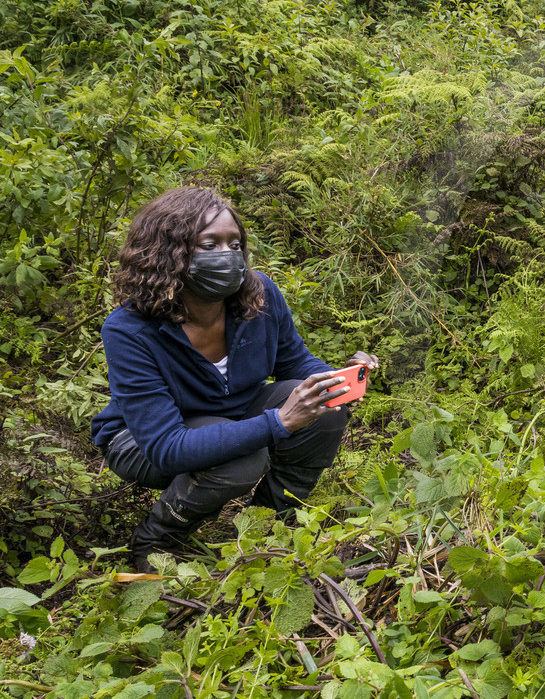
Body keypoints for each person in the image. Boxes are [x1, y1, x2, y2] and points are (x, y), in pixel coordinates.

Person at [91, 187, 376, 573]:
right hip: (142, 440)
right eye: (209, 244)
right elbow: (166, 448)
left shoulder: (259, 295)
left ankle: (269, 525)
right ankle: (157, 538)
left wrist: (337, 380)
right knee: (243, 457)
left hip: (235, 414)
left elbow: (295, 362)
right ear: (168, 254)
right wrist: (278, 422)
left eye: (234, 244)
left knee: (324, 409)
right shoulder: (129, 328)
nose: (226, 256)